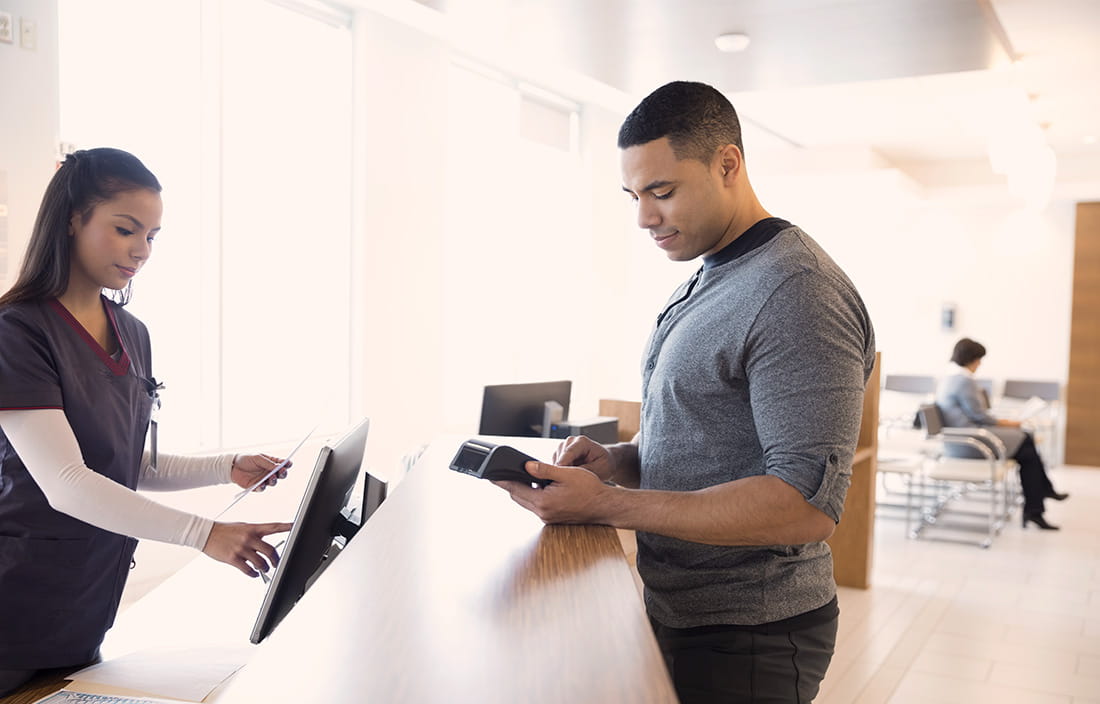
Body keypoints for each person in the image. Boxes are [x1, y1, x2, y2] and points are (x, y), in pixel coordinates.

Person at [495, 81, 876, 703]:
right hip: (682, 609)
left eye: (662, 192)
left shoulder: (797, 293)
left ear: (727, 164)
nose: (645, 217)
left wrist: (605, 506)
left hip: (751, 632)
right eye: (635, 195)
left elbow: (803, 506)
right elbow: (705, 429)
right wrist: (619, 463)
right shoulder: (710, 274)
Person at [0, 148, 294, 695]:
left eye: (153, 236)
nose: (141, 250)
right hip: (15, 604)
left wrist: (226, 466)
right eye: (125, 229)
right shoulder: (17, 332)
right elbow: (67, 483)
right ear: (72, 219)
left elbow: (121, 458)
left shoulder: (132, 332)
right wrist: (205, 534)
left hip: (85, 607)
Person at [936, 337, 1068, 530]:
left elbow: (976, 415)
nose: (979, 365)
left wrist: (1007, 424)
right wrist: (1008, 423)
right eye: (979, 360)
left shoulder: (950, 377)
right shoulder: (963, 380)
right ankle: (1037, 503)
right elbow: (979, 415)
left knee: (1026, 441)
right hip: (970, 442)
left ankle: (1039, 500)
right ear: (972, 359)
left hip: (966, 438)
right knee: (1026, 443)